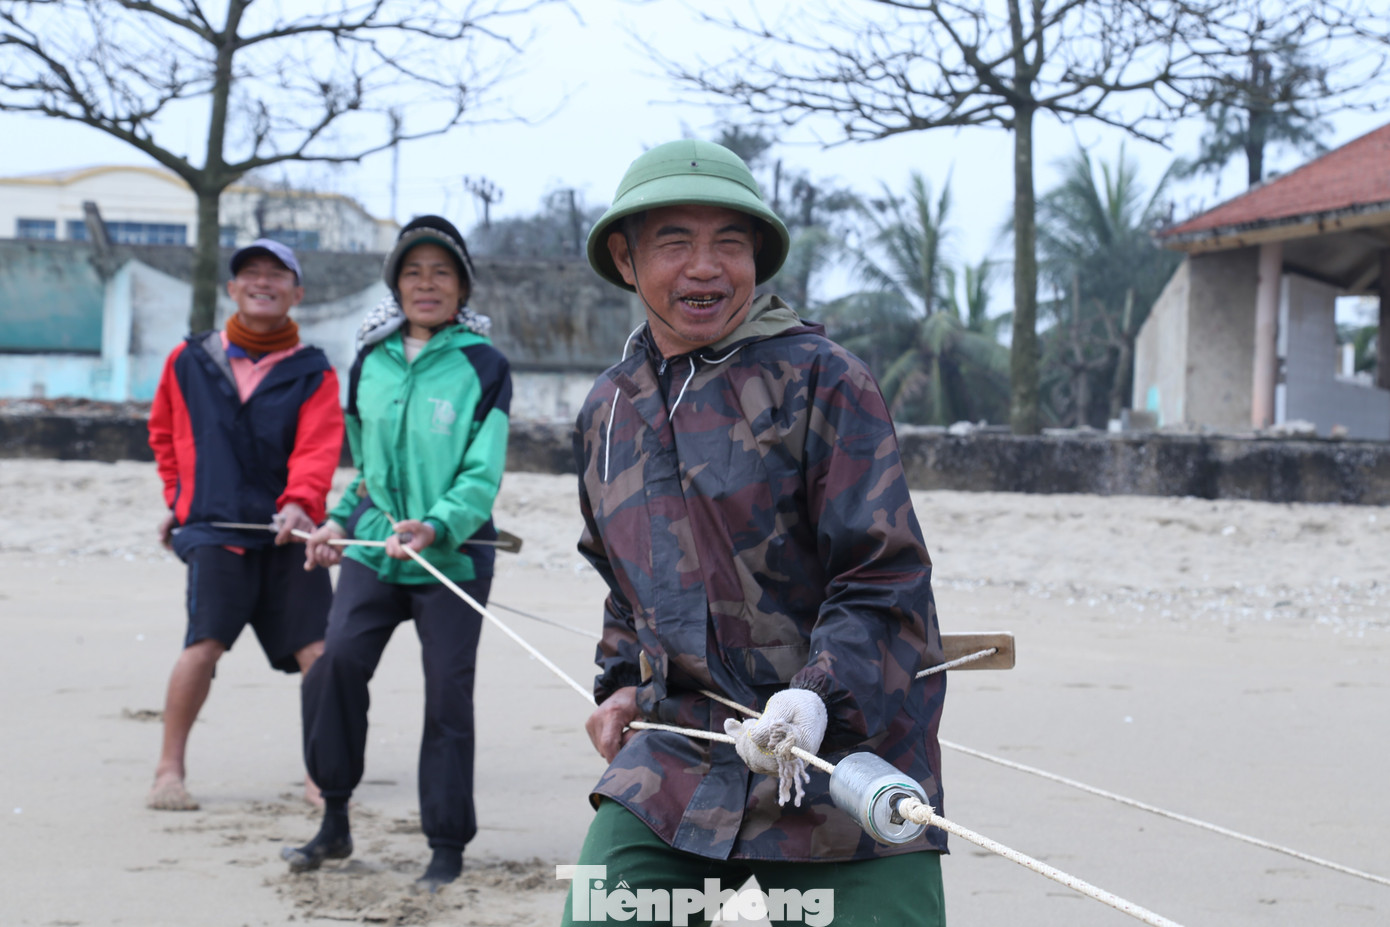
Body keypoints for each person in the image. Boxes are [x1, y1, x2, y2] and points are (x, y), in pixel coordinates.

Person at [563, 139, 948, 926]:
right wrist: (624, 680)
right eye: (675, 242)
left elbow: (883, 580)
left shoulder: (825, 380)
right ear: (625, 258)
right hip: (678, 757)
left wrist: (815, 697)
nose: (705, 267)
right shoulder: (607, 410)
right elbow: (622, 582)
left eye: (729, 243)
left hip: (841, 757)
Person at [286, 215, 512, 892]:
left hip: (453, 555)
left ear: (462, 287)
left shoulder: (485, 365)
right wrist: (335, 522)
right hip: (375, 549)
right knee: (334, 665)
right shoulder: (370, 362)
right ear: (396, 284)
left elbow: (482, 471)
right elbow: (365, 472)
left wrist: (436, 526)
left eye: (441, 272)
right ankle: (334, 817)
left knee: (447, 695)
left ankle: (445, 844)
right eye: (413, 272)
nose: (426, 284)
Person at [146, 239, 344, 812]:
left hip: (292, 532)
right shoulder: (188, 359)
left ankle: (322, 776)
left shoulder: (314, 370)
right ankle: (169, 770)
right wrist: (180, 499)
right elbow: (164, 435)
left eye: (277, 275)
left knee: (319, 653)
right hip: (215, 531)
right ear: (232, 289)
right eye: (250, 273)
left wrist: (301, 503)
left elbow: (318, 449)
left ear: (296, 293)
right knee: (202, 646)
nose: (263, 282)